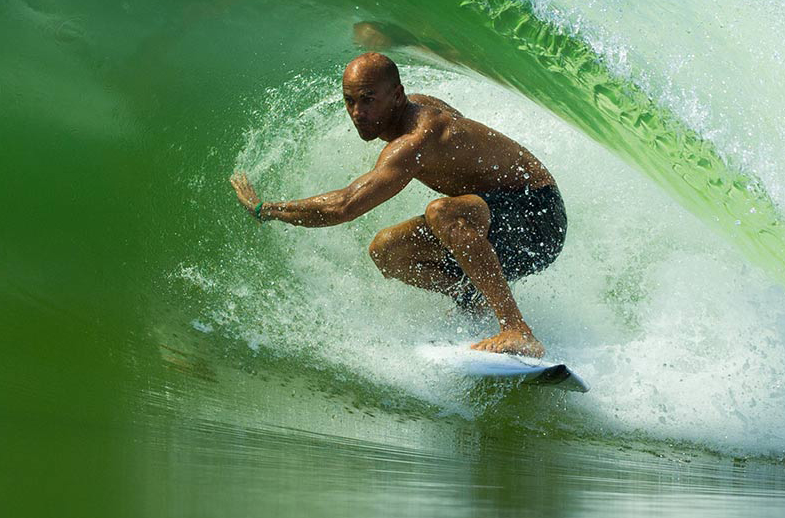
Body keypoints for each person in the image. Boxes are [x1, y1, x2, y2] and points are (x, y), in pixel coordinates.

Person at [229, 53, 566, 357]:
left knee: (443, 212)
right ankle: (472, 298)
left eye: (368, 100)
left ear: (398, 95)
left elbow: (343, 206)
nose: (357, 113)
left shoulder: (416, 139)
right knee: (387, 250)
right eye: (349, 101)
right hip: (497, 222)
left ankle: (517, 330)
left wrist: (266, 209)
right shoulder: (418, 109)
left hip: (540, 218)